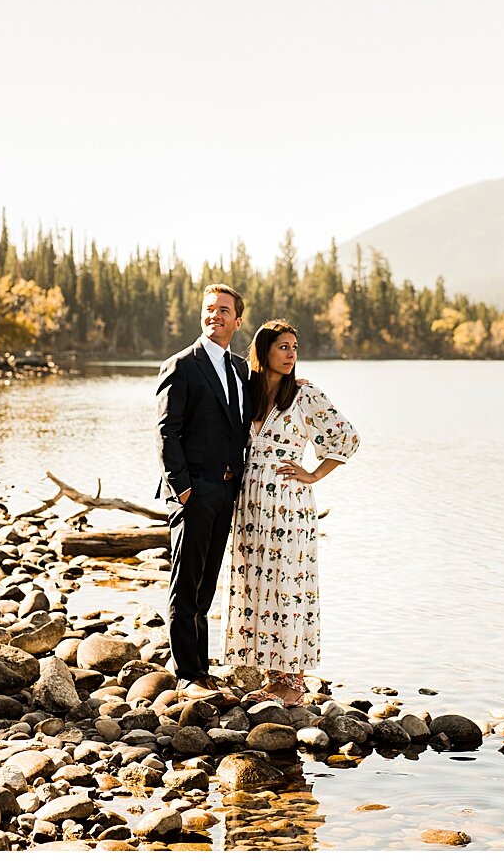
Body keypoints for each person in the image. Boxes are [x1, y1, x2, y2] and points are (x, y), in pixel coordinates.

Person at [226, 319, 359, 706]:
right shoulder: (247, 391)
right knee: (256, 584)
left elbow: (347, 437)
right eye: (283, 347)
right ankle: (273, 676)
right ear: (263, 349)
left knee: (288, 586)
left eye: (294, 348)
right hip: (250, 503)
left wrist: (314, 473)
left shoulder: (304, 393)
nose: (290, 355)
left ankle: (295, 682)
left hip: (287, 505)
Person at [155, 284, 250, 695]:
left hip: (226, 493)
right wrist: (183, 490)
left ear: (238, 321)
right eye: (209, 309)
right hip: (193, 493)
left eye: (224, 310)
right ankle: (186, 673)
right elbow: (165, 432)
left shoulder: (241, 369)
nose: (216, 316)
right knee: (185, 583)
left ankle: (201, 667)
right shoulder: (181, 365)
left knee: (207, 585)